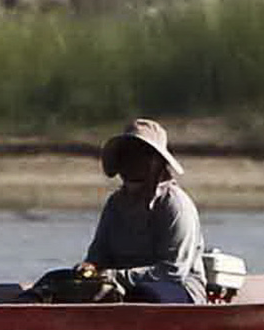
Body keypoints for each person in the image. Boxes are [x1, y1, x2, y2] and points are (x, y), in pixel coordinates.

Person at [78, 117, 205, 304]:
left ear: (158, 163)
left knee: (142, 296)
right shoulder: (115, 204)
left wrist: (113, 277)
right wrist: (88, 270)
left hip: (177, 288)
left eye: (141, 156)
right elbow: (98, 256)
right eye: (127, 155)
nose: (132, 163)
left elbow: (172, 272)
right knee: (56, 280)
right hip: (118, 285)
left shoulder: (175, 205)